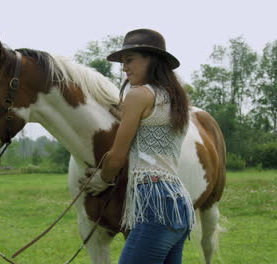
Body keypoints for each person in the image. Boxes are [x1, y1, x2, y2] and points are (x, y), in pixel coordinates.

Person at [81, 29, 196, 264]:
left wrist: (102, 179)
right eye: (123, 62)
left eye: (129, 59)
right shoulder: (175, 98)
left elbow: (116, 156)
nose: (124, 68)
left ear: (151, 59)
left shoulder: (138, 95)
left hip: (154, 205)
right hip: (179, 204)